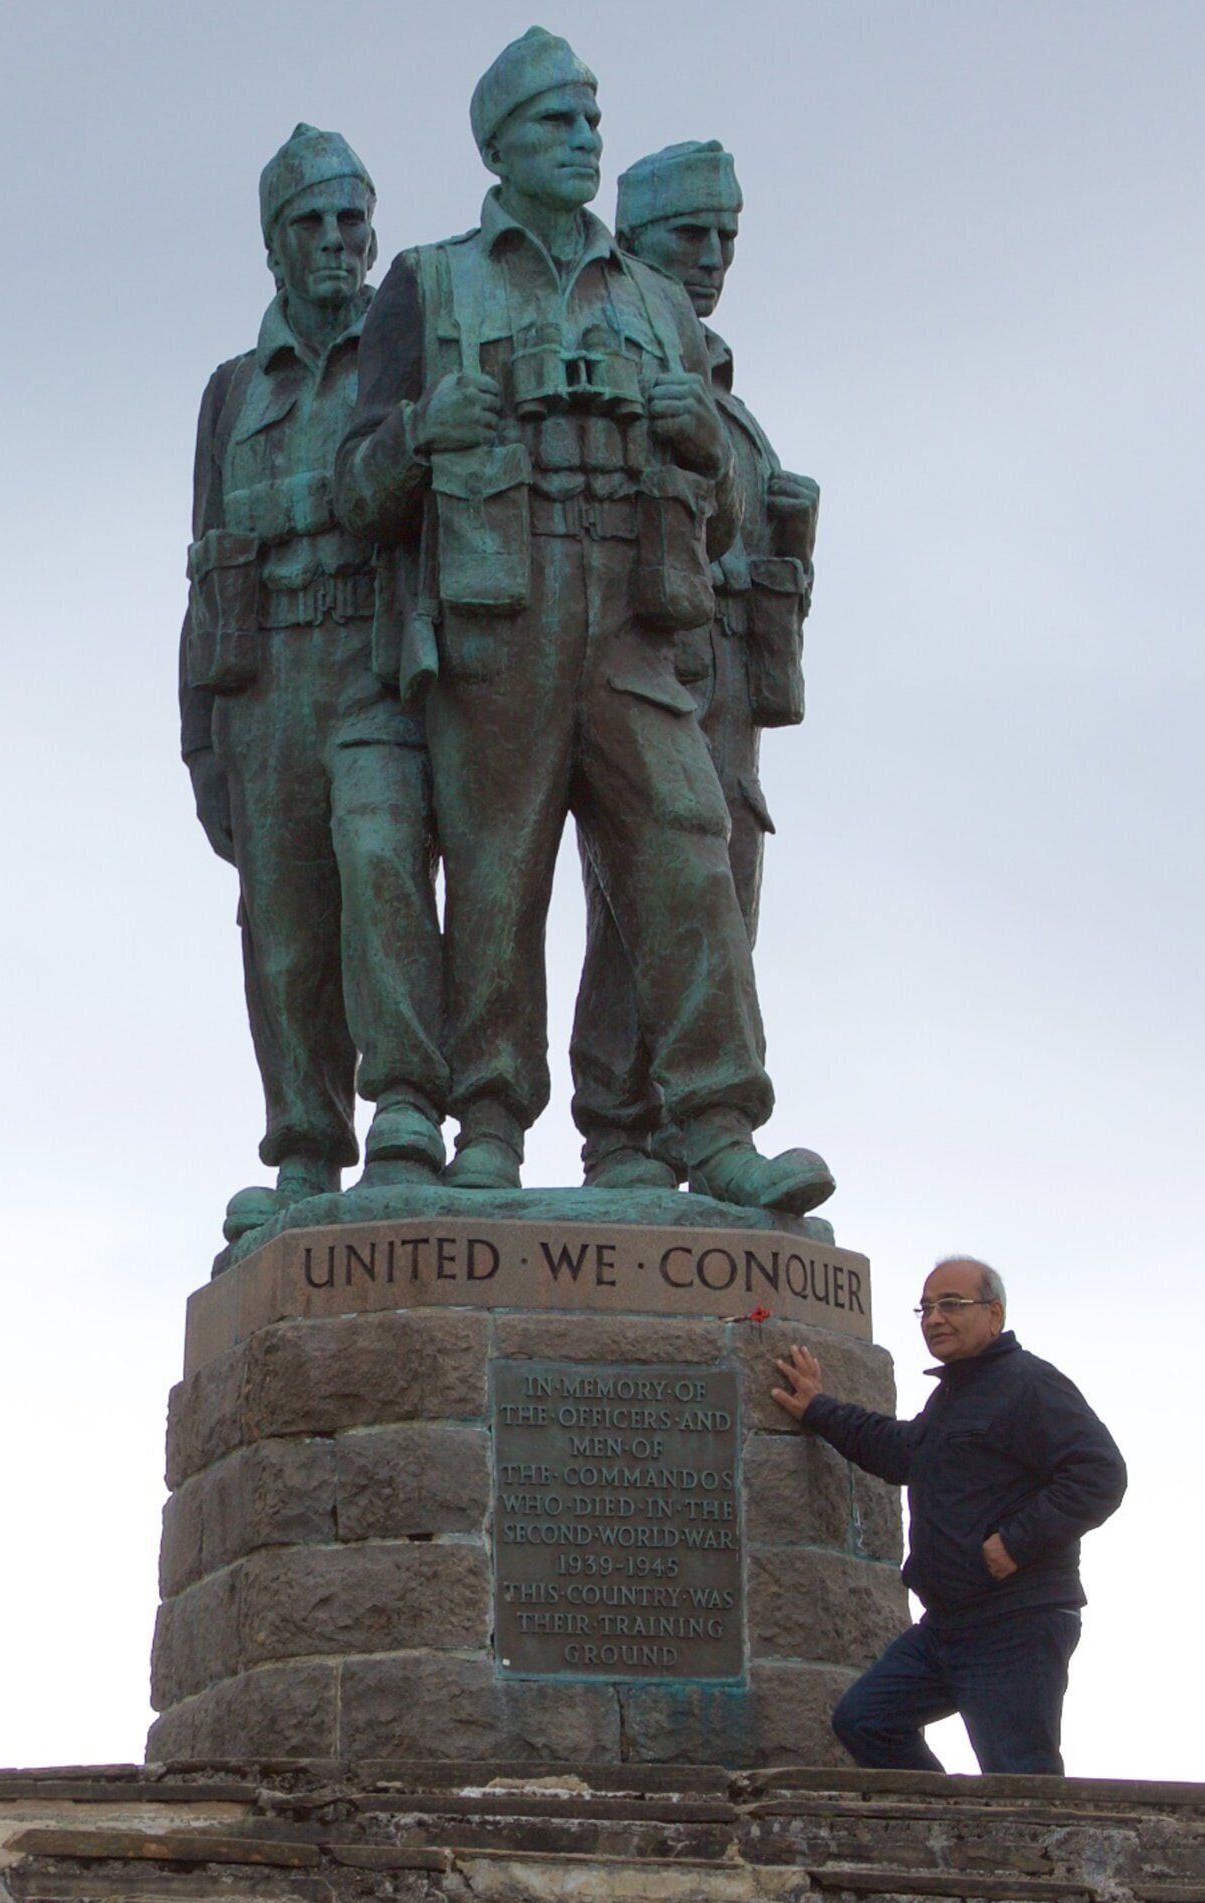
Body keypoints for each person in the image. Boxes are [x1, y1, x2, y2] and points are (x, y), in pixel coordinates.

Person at [333, 27, 833, 1212]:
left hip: (633, 622)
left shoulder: (657, 302)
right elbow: (360, 490)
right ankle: (490, 1124)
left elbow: (715, 529)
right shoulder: (431, 280)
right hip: (499, 614)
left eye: (592, 122)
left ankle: (713, 1123)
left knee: (686, 852)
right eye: (558, 122)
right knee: (499, 881)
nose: (583, 141)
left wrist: (700, 442)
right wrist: (421, 433)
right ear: (500, 143)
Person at [184, 124, 453, 1245]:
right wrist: (202, 742)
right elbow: (204, 572)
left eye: (353, 219)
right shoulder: (231, 392)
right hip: (264, 685)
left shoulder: (409, 351)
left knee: (383, 864)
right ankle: (303, 1144)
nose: (338, 241)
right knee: (284, 922)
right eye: (312, 223)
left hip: (372, 663)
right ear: (274, 246)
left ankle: (405, 1109)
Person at [569, 137, 823, 1187]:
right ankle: (622, 1125)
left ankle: (686, 1127)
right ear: (633, 245)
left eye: (727, 236)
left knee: (718, 903)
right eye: (690, 236)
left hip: (728, 691)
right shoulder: (613, 361)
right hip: (635, 657)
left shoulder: (733, 407)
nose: (714, 256)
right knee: (642, 897)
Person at [767, 1256, 1126, 1776]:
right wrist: (820, 1409)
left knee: (1018, 1775)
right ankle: (953, 1833)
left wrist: (1015, 1543)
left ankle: (1021, 1859)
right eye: (926, 1308)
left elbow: (1100, 1472)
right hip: (947, 1625)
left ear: (994, 1315)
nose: (934, 1318)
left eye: (952, 1305)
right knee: (865, 1720)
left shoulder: (1030, 1384)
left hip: (1015, 1622)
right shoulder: (954, 1396)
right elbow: (902, 1451)